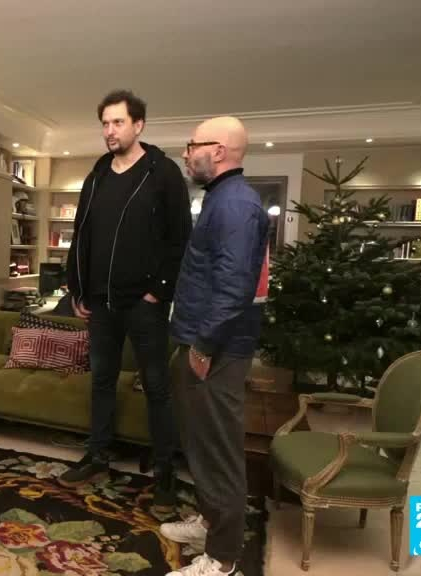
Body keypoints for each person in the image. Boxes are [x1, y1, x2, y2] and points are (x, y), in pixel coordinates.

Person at [60, 90, 191, 513]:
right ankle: (98, 455)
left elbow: (180, 239)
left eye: (117, 122)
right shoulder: (98, 174)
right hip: (100, 303)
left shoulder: (163, 173)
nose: (109, 131)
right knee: (101, 381)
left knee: (157, 387)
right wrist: (77, 288)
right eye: (105, 123)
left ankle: (165, 473)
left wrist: (159, 291)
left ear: (138, 125)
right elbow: (81, 235)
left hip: (144, 303)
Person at [161, 116, 269, 576]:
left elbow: (234, 287)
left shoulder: (235, 204)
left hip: (217, 348)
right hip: (200, 340)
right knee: (200, 443)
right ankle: (209, 522)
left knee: (219, 452)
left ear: (218, 151)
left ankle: (222, 560)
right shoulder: (221, 198)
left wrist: (203, 346)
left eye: (192, 145)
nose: (186, 154)